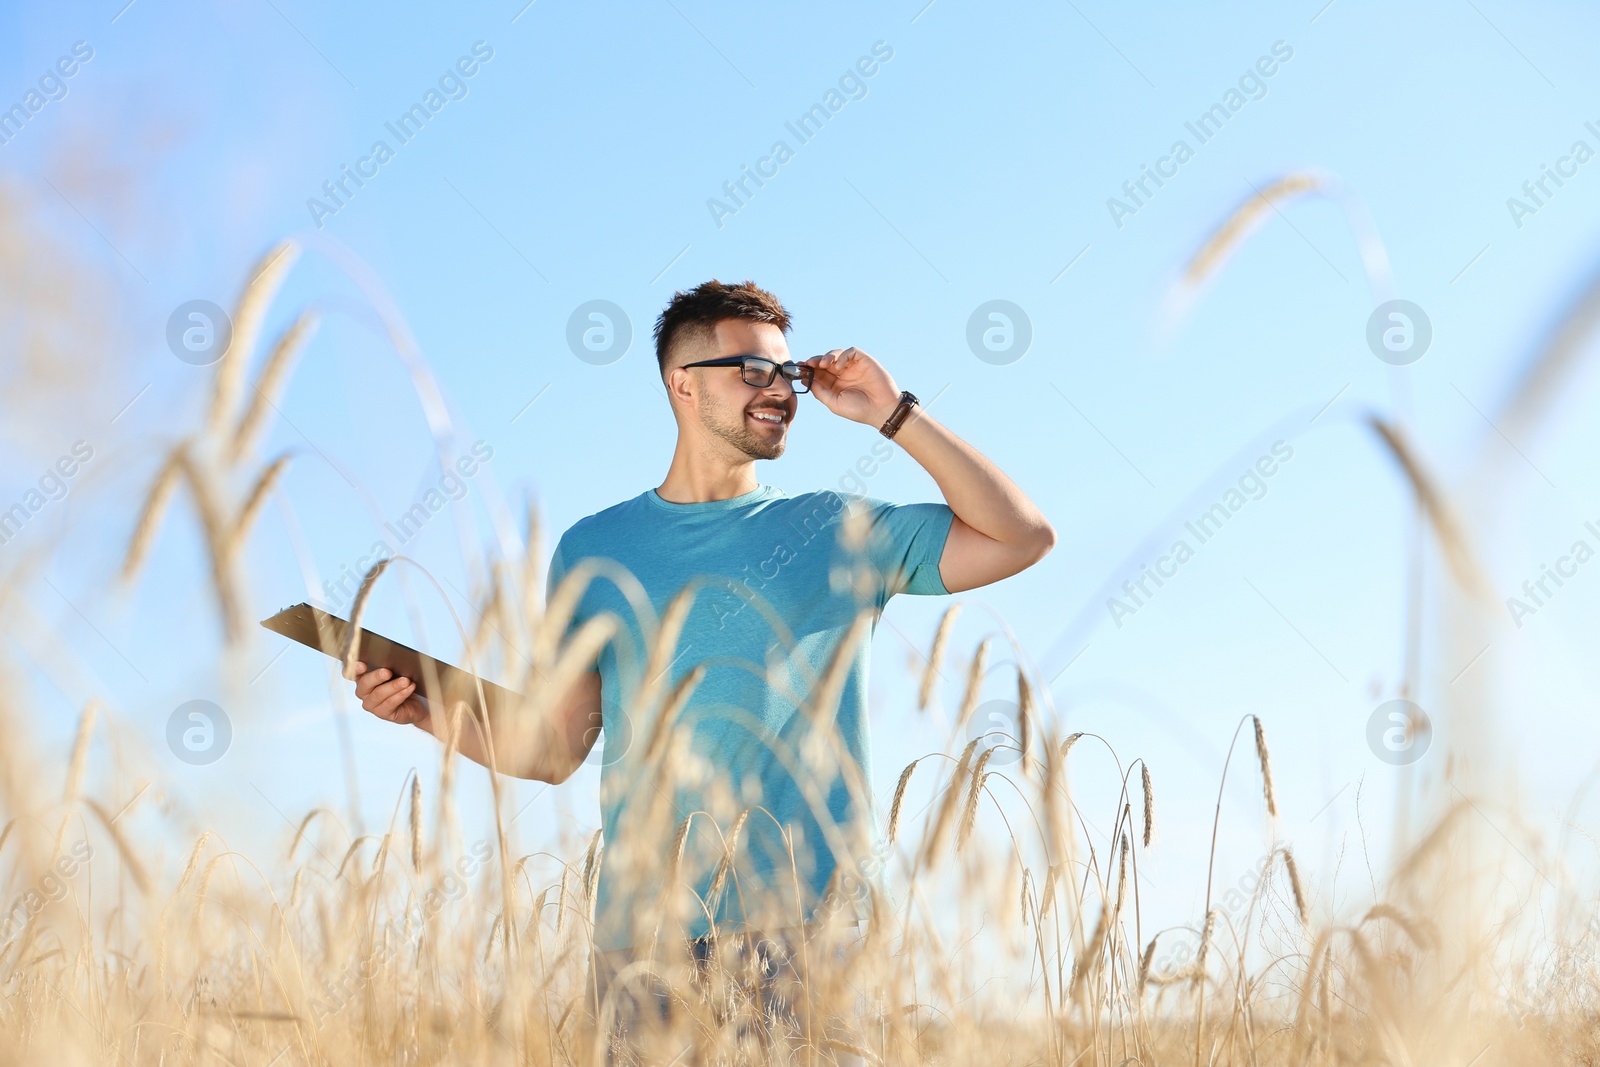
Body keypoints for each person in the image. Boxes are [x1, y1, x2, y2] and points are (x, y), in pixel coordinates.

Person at [350, 279, 1054, 1062]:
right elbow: (553, 748)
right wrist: (424, 710)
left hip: (812, 925)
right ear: (681, 383)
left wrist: (893, 413)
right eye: (752, 370)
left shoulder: (837, 526)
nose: (781, 392)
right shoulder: (594, 547)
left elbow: (1020, 536)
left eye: (786, 374)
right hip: (641, 940)